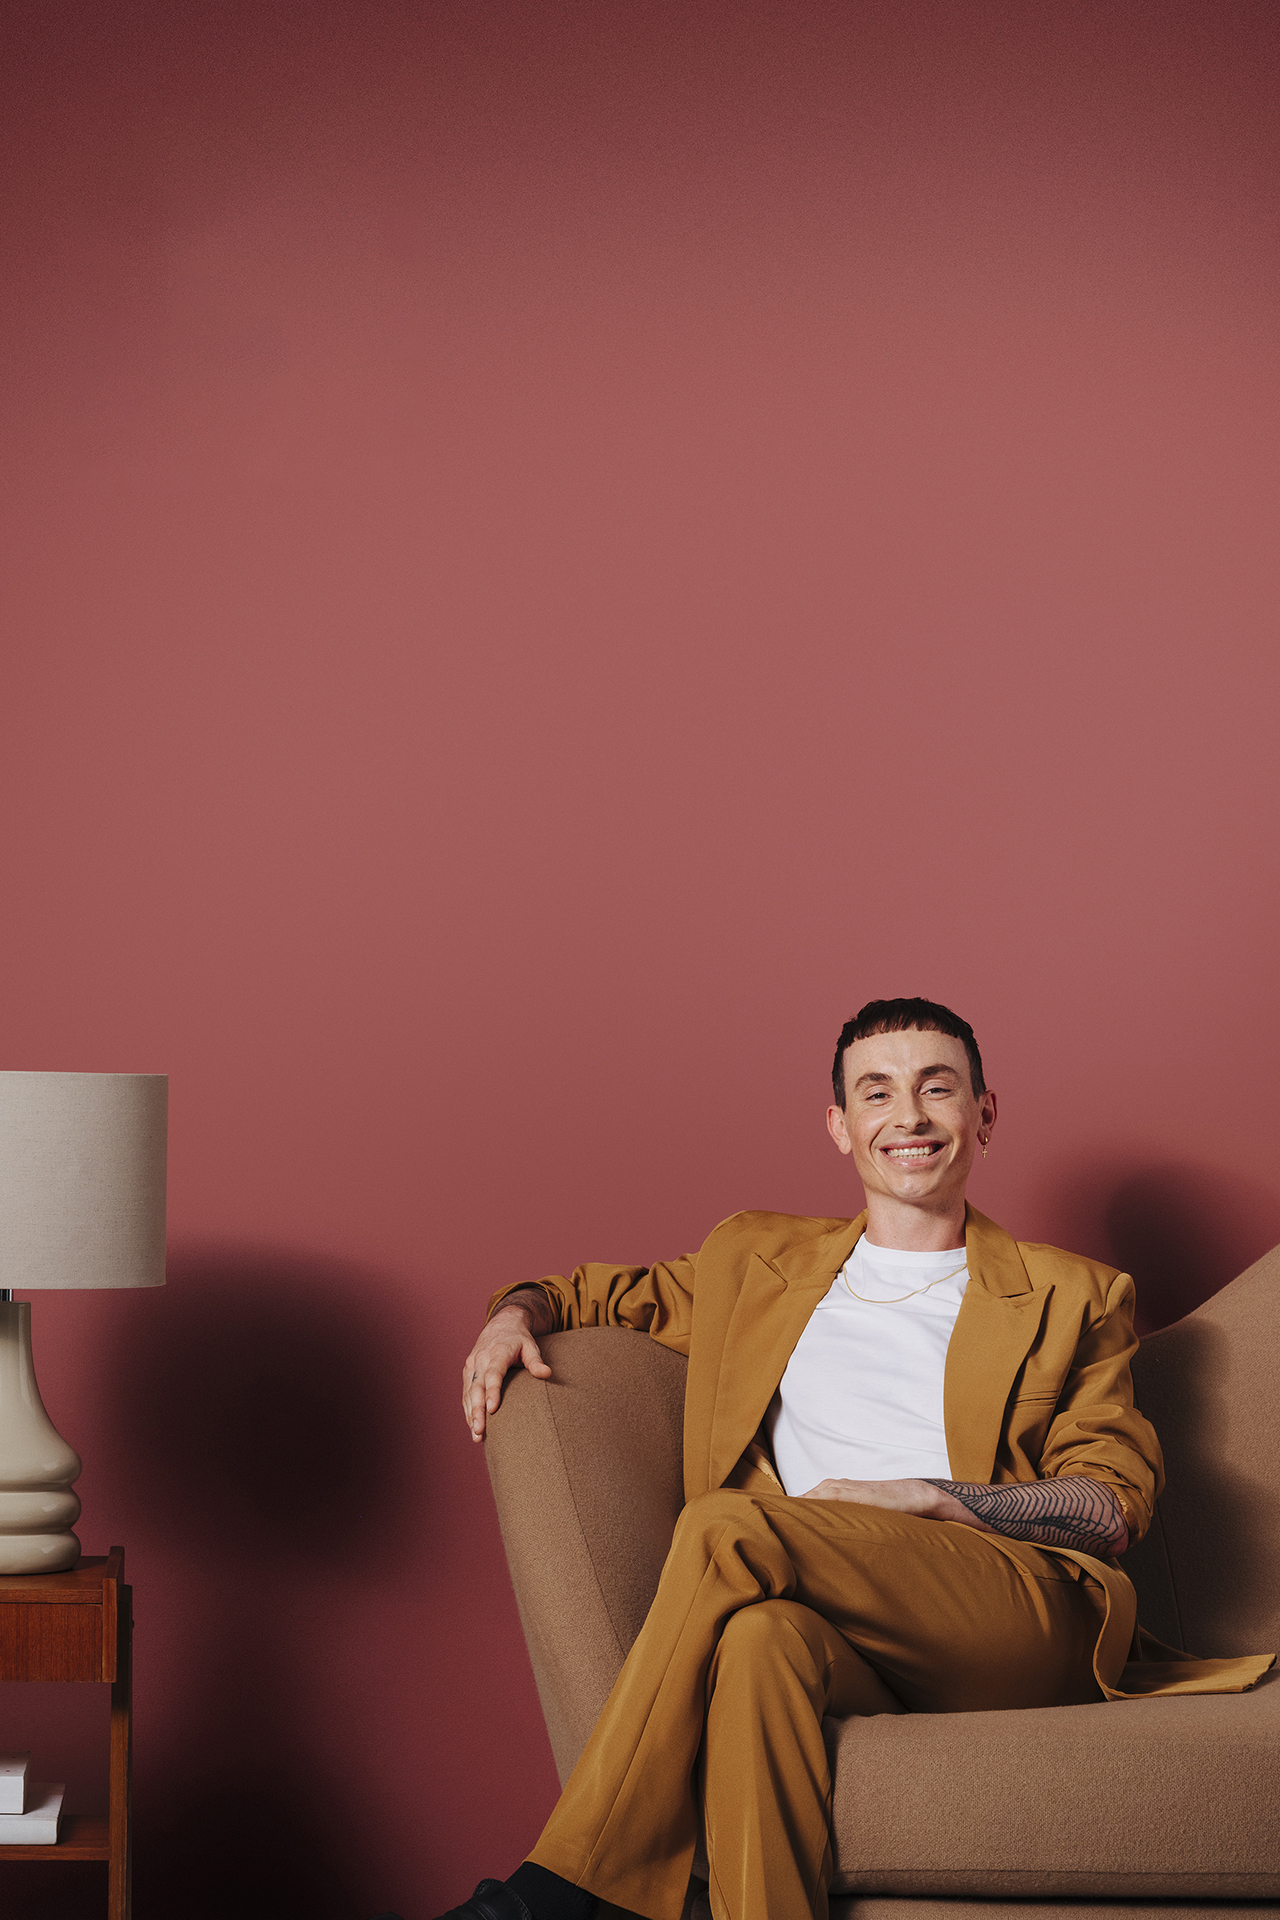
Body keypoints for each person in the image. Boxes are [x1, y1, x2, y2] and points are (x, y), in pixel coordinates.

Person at [388, 997, 1271, 1920]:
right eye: (878, 1093)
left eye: (939, 1089)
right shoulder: (755, 1261)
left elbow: (1110, 1507)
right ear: (841, 1127)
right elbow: (603, 1295)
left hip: (1010, 1611)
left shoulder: (1072, 1294)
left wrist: (927, 1496)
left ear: (984, 1114)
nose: (911, 1117)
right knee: (758, 1644)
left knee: (728, 1523)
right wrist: (515, 1312)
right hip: (832, 1612)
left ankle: (558, 1894)